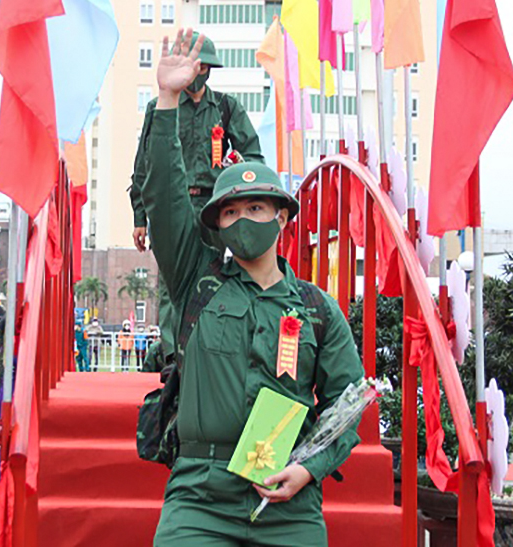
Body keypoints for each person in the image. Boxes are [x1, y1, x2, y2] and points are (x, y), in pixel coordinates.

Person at [143, 29, 364, 545]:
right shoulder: (197, 282)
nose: (243, 218)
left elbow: (346, 402)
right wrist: (167, 99)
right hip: (199, 495)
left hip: (287, 496)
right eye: (231, 212)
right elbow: (165, 197)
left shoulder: (316, 310)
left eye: (257, 207)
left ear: (282, 217)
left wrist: (309, 468)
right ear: (217, 224)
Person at [130, 31, 264, 363]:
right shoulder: (160, 107)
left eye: (204, 66)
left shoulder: (226, 108)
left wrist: (237, 167)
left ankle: (202, 352)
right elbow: (145, 163)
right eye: (195, 65)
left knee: (213, 277)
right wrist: (139, 217)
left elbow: (254, 159)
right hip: (171, 206)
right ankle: (172, 357)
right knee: (170, 282)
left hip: (213, 207)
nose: (198, 71)